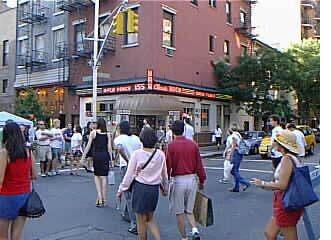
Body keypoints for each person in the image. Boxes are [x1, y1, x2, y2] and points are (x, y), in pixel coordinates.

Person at [116, 127, 168, 240]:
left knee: (140, 221)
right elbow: (164, 175)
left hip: (141, 188)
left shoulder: (137, 154)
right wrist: (165, 188)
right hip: (153, 190)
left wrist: (121, 189)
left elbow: (129, 175)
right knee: (150, 219)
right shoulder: (160, 154)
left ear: (142, 140)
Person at [251, 130, 304, 240]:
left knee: (288, 235)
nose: (273, 142)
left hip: (287, 203)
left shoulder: (287, 159)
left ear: (281, 145)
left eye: (275, 140)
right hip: (286, 202)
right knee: (270, 233)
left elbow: (282, 185)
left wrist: (262, 183)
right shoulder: (291, 158)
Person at [166, 120, 206, 240]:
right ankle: (194, 230)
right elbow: (199, 165)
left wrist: (165, 181)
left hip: (178, 180)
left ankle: (184, 237)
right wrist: (202, 180)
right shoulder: (193, 144)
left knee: (179, 212)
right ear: (184, 130)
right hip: (192, 179)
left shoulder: (171, 146)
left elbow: (168, 166)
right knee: (189, 210)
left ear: (172, 131)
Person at [0, 122, 38, 240]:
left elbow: (0, 179)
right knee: (17, 235)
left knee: (2, 236)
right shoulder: (28, 151)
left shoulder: (4, 152)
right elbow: (35, 175)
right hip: (24, 195)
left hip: (7, 196)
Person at [114, 121, 142, 234]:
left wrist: (127, 160)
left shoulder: (119, 139)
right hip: (137, 167)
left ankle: (134, 223)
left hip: (126, 167)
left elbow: (119, 149)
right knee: (133, 191)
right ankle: (127, 214)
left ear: (120, 129)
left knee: (128, 194)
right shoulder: (136, 138)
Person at [81, 118, 112, 208]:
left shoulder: (93, 133)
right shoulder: (108, 134)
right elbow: (109, 148)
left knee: (97, 176)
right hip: (105, 156)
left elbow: (88, 146)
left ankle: (99, 197)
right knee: (104, 177)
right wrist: (111, 159)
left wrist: (83, 157)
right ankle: (105, 198)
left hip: (96, 155)